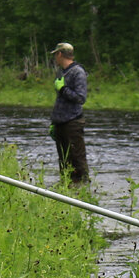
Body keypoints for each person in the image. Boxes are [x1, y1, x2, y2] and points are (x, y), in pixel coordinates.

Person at [49, 42, 89, 185]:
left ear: (60, 54)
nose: (55, 59)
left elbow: (80, 98)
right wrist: (54, 122)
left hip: (73, 123)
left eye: (56, 55)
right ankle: (67, 189)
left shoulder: (78, 72)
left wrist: (63, 89)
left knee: (77, 160)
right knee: (64, 162)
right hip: (60, 123)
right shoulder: (63, 72)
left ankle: (82, 191)